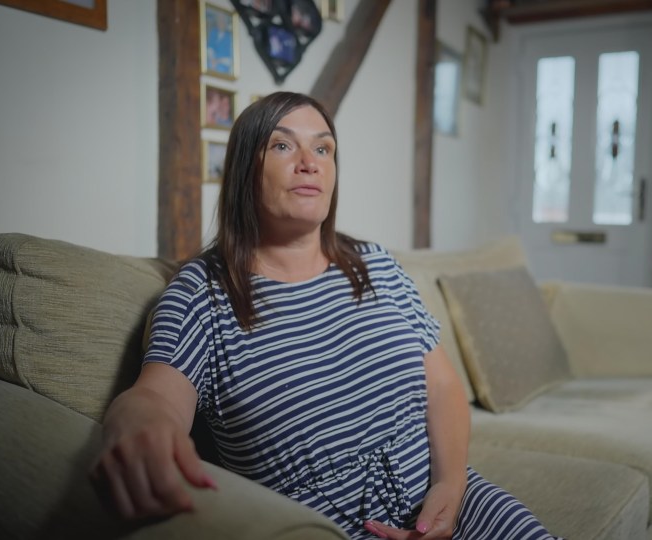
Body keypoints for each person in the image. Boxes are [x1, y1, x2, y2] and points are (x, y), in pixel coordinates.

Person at [90, 92, 564, 540]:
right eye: (282, 145)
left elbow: (440, 385)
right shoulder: (202, 293)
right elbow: (155, 396)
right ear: (243, 170)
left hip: (450, 504)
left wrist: (450, 485)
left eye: (324, 148)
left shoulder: (377, 265)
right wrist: (136, 427)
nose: (309, 162)